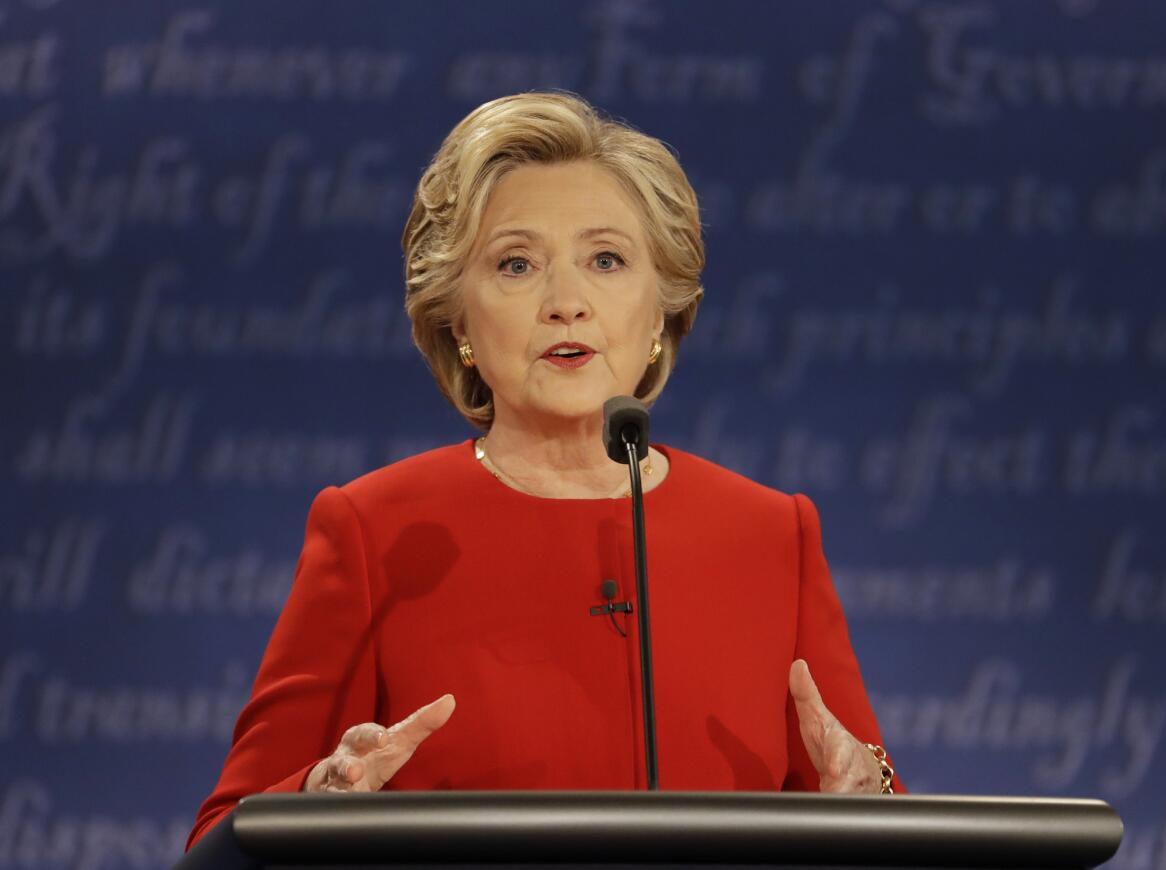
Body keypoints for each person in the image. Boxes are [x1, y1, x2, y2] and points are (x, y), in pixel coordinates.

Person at [186, 90, 901, 852]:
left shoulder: (770, 536)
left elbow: (882, 818)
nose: (568, 303)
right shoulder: (375, 531)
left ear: (660, 308)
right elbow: (221, 842)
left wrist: (869, 798)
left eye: (606, 260)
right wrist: (316, 805)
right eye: (518, 264)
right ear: (458, 320)